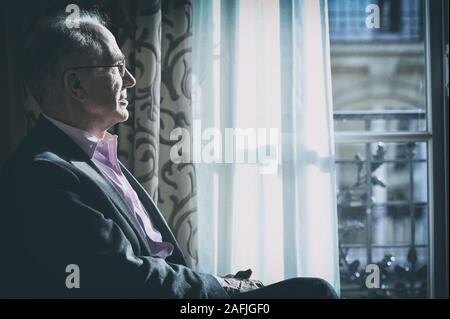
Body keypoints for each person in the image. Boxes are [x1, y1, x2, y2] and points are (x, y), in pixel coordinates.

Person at [0, 10, 338, 299]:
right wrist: (225, 287)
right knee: (316, 293)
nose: (130, 80)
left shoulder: (89, 156)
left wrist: (220, 285)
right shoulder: (43, 173)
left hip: (188, 294)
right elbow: (123, 275)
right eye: (117, 66)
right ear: (76, 86)